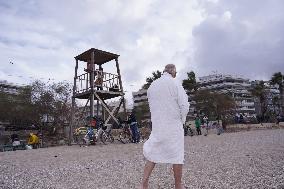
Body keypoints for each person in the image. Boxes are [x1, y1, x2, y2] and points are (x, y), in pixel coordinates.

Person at [141, 64, 189, 189]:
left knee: (153, 153)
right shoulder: (175, 83)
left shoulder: (152, 86)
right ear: (173, 72)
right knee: (177, 155)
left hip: (158, 125)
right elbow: (184, 105)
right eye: (176, 72)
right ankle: (178, 185)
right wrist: (182, 121)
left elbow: (152, 106)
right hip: (173, 125)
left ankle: (144, 184)